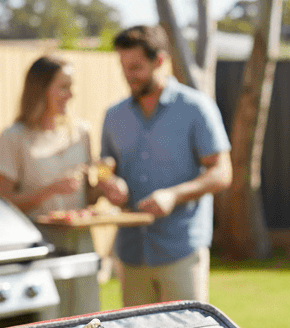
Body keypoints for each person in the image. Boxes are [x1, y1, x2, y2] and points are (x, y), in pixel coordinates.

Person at [98, 24, 232, 305]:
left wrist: (174, 195)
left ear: (159, 60)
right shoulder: (114, 116)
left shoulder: (196, 108)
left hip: (181, 248)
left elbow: (221, 172)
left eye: (135, 67)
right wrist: (109, 184)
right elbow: (105, 172)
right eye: (123, 67)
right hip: (131, 252)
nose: (128, 76)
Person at [0, 56, 106, 220]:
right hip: (39, 241)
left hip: (81, 242)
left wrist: (104, 188)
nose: (71, 94)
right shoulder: (12, 137)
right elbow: (4, 203)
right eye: (64, 87)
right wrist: (50, 191)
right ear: (41, 89)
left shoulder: (81, 133)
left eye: (72, 86)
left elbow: (87, 197)